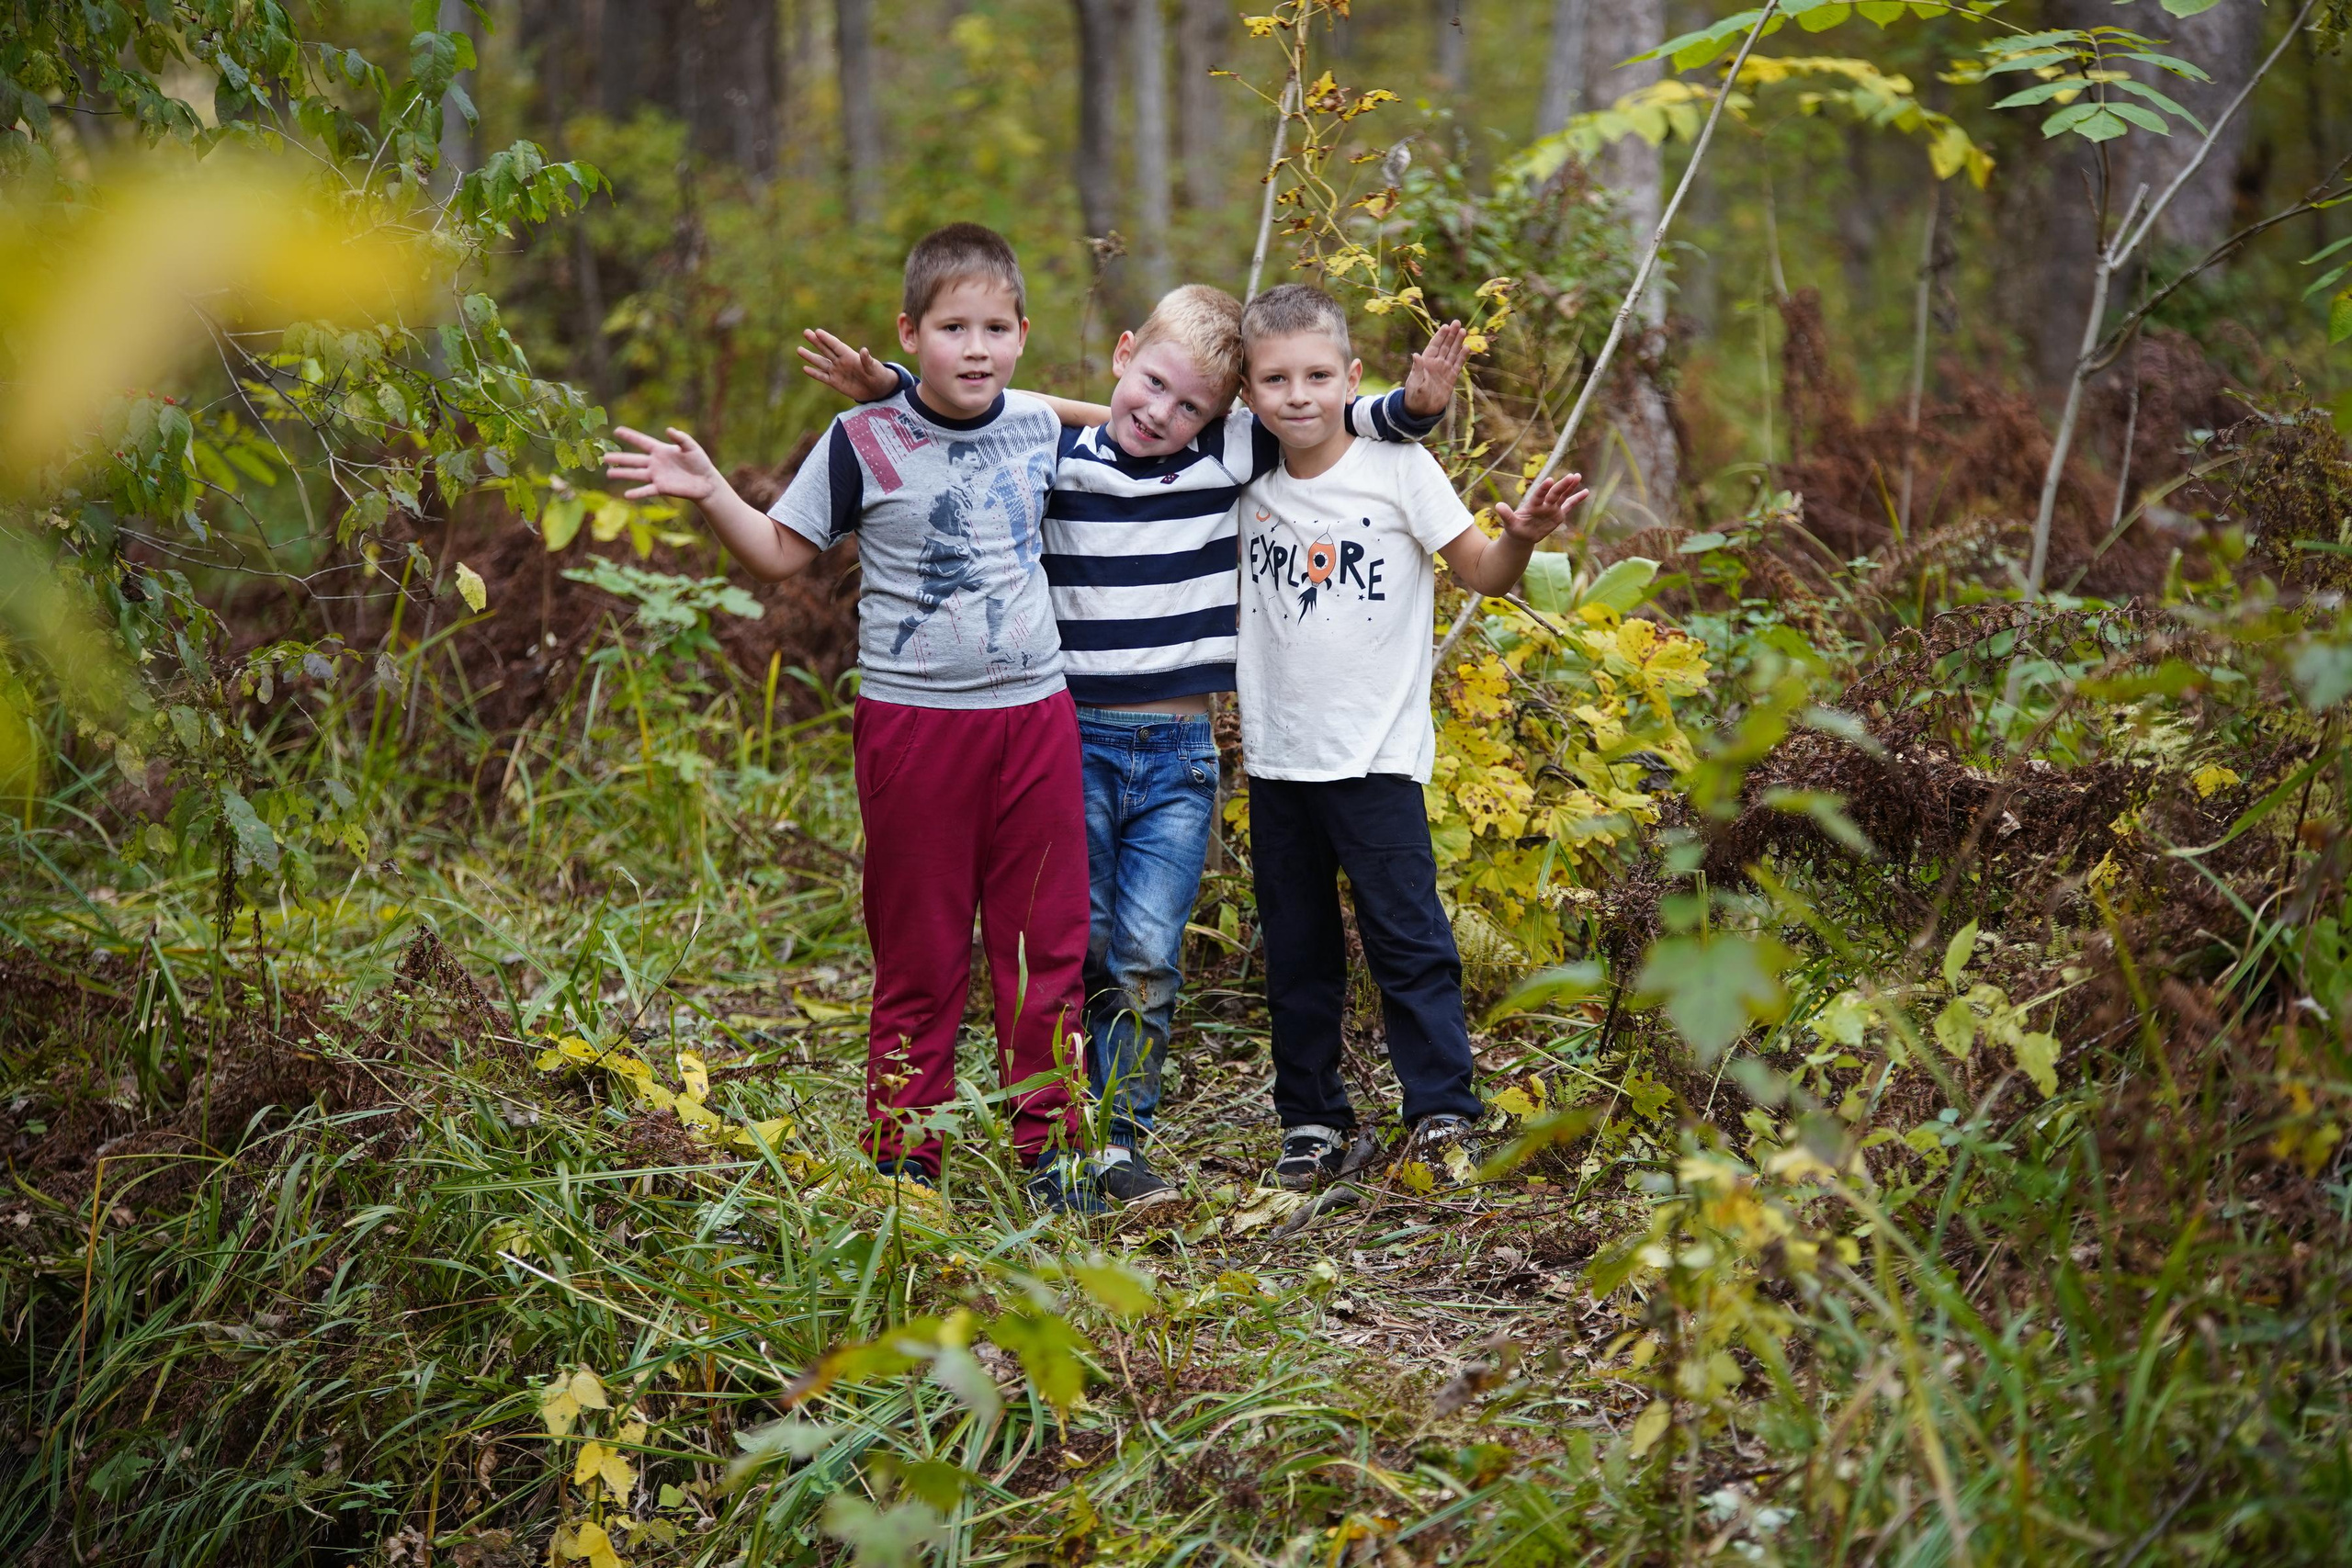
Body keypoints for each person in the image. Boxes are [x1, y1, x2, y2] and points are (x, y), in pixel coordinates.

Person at [799, 284, 1464, 1205]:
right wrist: (888, 383)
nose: (1162, 414)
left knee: (1149, 953)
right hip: (1070, 743)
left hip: (1180, 755)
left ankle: (1121, 1134)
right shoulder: (1053, 450)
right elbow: (974, 411)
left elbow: (1321, 413)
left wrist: (1415, 408)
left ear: (1221, 414)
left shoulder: (1230, 450)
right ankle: (1058, 1125)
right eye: (1151, 385)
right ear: (1121, 355)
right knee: (1076, 943)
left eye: (1190, 405)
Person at [603, 222, 1101, 1213]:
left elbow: (1133, 421)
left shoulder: (1038, 425)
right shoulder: (859, 439)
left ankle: (1054, 1148)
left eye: (996, 328)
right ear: (908, 332)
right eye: (952, 326)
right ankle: (904, 1155)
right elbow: (782, 554)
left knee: (1044, 939)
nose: (975, 347)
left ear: (1022, 335)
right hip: (915, 728)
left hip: (1035, 717)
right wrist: (709, 491)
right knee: (917, 945)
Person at [1229, 283, 1589, 1191]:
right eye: (1274, 379)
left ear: (1351, 377)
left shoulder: (1395, 468)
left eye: (1317, 375)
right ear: (1246, 391)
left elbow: (1483, 574)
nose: (1297, 396)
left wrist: (1523, 537)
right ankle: (1311, 1122)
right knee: (1297, 951)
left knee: (1406, 941)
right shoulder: (1242, 475)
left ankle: (1440, 1111)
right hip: (1277, 759)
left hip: (1375, 757)